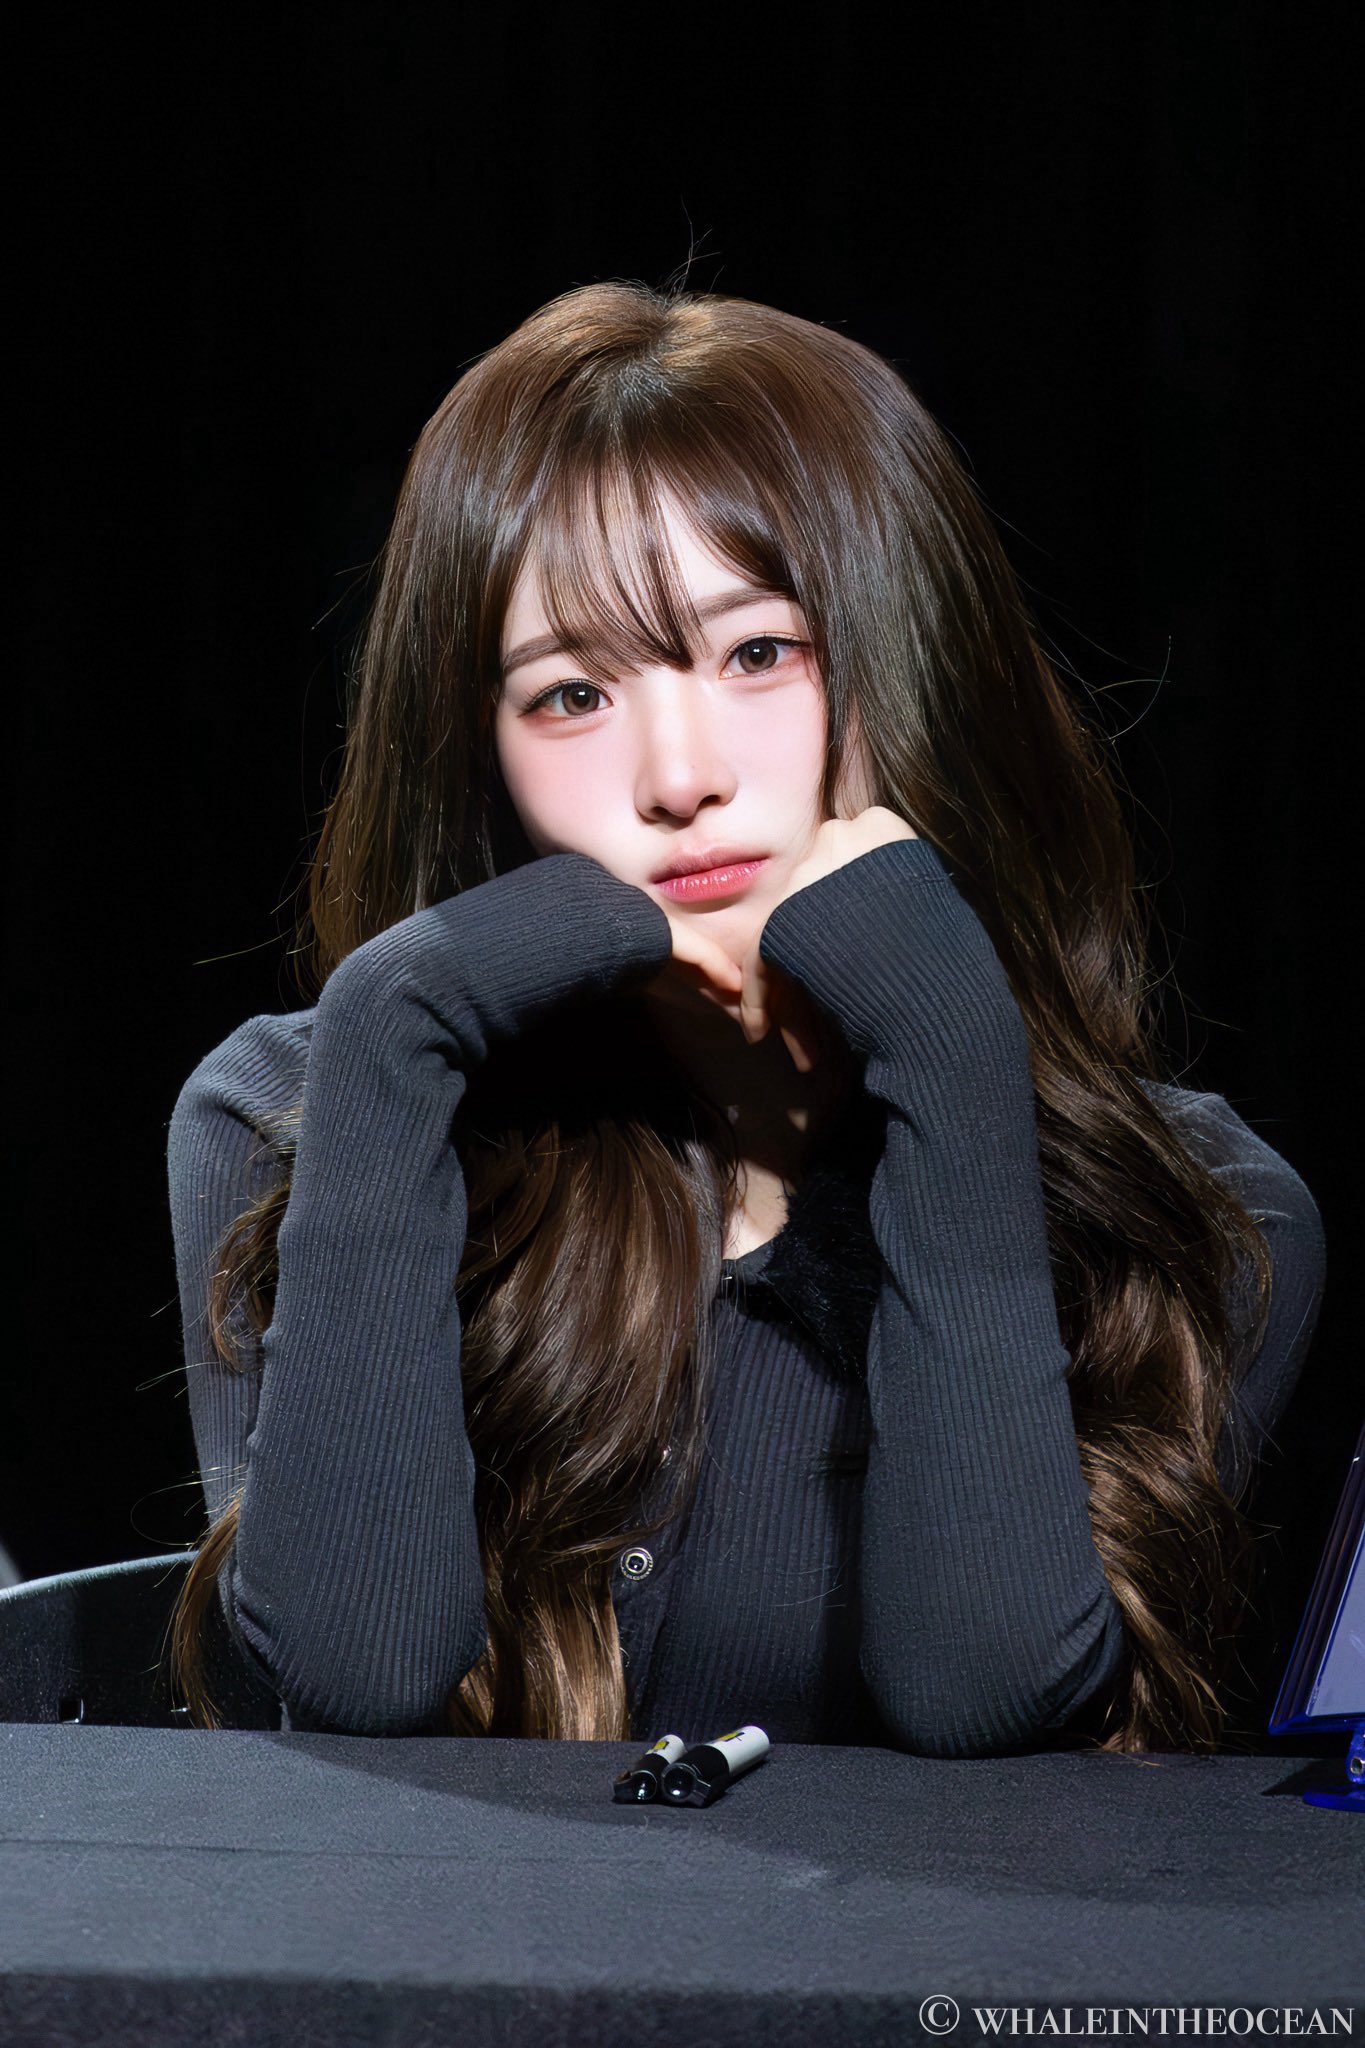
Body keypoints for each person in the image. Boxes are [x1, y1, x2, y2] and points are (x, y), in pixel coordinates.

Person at [165, 280, 1326, 1753]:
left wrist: (950, 1051)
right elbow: (349, 1688)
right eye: (569, 694)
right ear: (473, 751)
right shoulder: (293, 1113)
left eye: (757, 654)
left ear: (909, 663)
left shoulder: (1202, 1218)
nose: (679, 776)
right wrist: (393, 1025)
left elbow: (991, 1708)